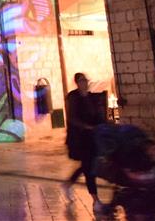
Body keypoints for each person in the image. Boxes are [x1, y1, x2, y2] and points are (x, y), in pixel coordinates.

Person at [63, 72, 106, 214]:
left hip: (92, 138)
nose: (84, 83)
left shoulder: (91, 97)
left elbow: (97, 115)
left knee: (87, 165)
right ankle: (96, 200)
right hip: (80, 139)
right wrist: (86, 127)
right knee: (88, 169)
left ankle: (68, 183)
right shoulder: (73, 97)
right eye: (81, 81)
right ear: (77, 82)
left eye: (85, 80)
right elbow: (72, 118)